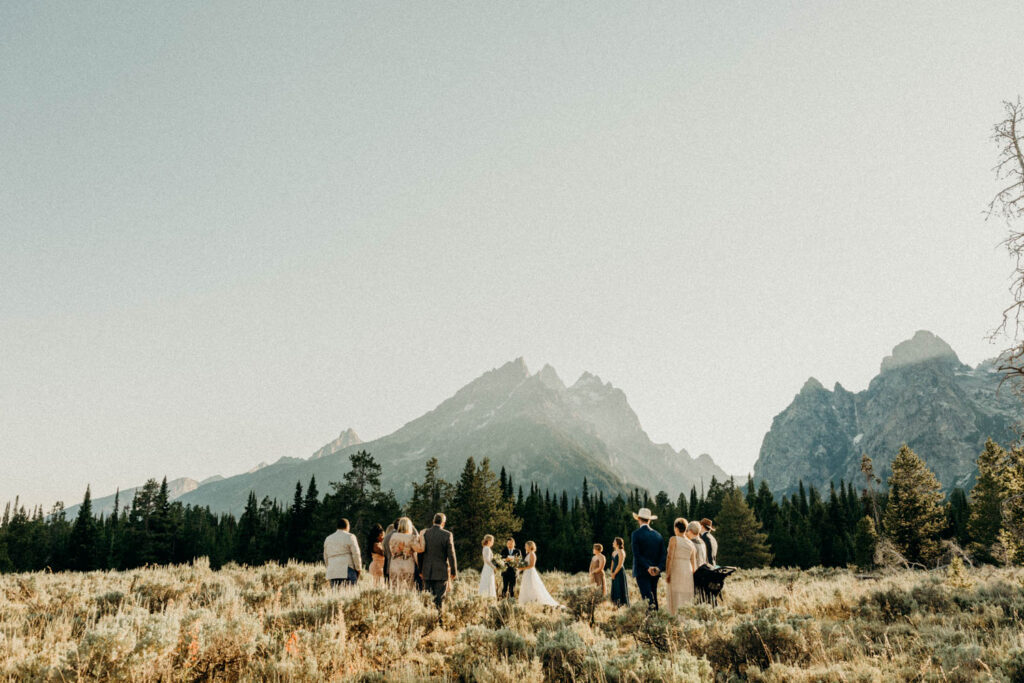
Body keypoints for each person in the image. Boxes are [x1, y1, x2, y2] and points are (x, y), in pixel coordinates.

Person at [419, 513, 458, 612]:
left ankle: (427, 617)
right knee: (440, 598)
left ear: (433, 521)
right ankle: (439, 619)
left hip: (427, 570)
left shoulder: (425, 533)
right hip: (441, 571)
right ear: (443, 523)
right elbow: (451, 555)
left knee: (427, 597)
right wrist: (454, 571)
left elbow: (420, 553)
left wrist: (420, 569)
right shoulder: (447, 534)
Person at [630, 507, 665, 609]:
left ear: (639, 519)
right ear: (649, 520)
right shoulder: (658, 535)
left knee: (647, 599)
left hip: (642, 571)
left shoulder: (636, 534)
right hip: (655, 572)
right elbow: (663, 556)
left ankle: (650, 622)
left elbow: (637, 555)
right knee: (654, 596)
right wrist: (658, 568)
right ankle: (656, 620)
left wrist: (647, 567)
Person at [664, 518, 697, 614]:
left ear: (676, 528)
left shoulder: (673, 539)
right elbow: (693, 561)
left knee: (675, 594)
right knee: (686, 595)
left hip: (676, 568)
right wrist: (694, 576)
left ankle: (675, 617)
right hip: (688, 570)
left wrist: (668, 573)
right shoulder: (691, 543)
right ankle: (685, 618)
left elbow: (670, 557)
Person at [517, 541, 560, 607]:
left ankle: (533, 600)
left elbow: (532, 565)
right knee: (527, 586)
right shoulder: (529, 554)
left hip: (530, 572)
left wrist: (522, 568)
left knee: (531, 586)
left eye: (526, 546)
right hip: (527, 572)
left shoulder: (532, 554)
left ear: (530, 546)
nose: (525, 547)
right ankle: (528, 601)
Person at [323, 518, 362, 588]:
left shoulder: (328, 539)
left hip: (333, 571)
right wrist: (358, 569)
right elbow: (356, 554)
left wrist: (329, 567)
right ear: (347, 526)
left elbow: (326, 557)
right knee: (350, 595)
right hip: (347, 569)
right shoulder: (350, 536)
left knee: (335, 596)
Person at [388, 517, 424, 590]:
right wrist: (421, 536)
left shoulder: (393, 536)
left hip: (394, 565)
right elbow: (420, 549)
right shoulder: (410, 537)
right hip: (407, 565)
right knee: (408, 589)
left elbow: (391, 550)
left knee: (395, 589)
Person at [609, 537, 629, 607]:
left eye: (614, 542)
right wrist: (611, 572)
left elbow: (620, 564)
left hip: (619, 572)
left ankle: (622, 605)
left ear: (617, 543)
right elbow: (612, 563)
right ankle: (615, 605)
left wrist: (614, 573)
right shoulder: (613, 552)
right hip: (614, 572)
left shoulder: (621, 551)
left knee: (620, 588)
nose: (613, 543)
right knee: (615, 588)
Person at [382, 518, 400, 584]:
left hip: (388, 566)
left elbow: (385, 553)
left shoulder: (386, 537)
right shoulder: (401, 536)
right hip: (399, 568)